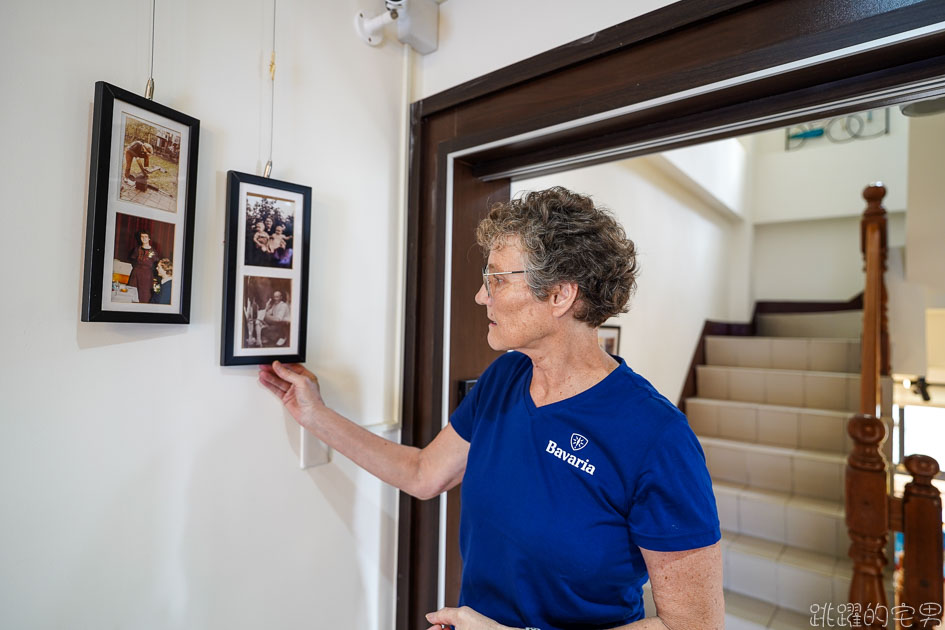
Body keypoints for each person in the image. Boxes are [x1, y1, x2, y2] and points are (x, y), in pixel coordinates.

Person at [258, 187, 723, 630]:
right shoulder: (505, 378)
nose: (482, 296)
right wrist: (314, 415)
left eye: (497, 279)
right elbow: (424, 474)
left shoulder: (657, 438)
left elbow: (696, 623)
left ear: (560, 295)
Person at [126, 230, 158, 304]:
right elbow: (133, 260)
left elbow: (155, 264)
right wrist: (137, 268)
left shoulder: (153, 251)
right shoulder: (137, 249)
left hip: (147, 277)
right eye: (142, 237)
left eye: (146, 237)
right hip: (135, 275)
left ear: (149, 238)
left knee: (145, 297)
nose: (144, 238)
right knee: (132, 295)